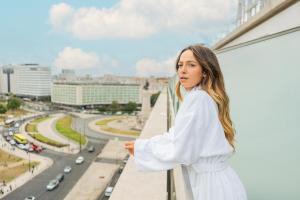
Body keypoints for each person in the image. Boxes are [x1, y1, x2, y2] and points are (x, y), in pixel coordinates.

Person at [125, 44, 247, 200]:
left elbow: (182, 152)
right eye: (180, 65)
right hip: (220, 183)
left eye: (191, 65)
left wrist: (143, 150)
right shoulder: (203, 96)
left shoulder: (198, 99)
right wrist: (144, 146)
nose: (182, 70)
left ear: (205, 71)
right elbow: (177, 135)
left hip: (210, 188)